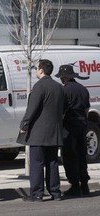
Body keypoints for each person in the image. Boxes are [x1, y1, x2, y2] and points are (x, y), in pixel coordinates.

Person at [19, 59, 64, 202]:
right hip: (54, 131)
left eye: (37, 68)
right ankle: (55, 192)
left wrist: (24, 125)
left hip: (39, 132)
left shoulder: (39, 87)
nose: (36, 70)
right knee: (52, 162)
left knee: (37, 163)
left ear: (41, 70)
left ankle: (37, 194)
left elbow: (32, 109)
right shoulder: (59, 87)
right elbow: (64, 107)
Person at [55, 64, 90, 196]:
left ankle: (75, 185)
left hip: (69, 127)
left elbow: (61, 110)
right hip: (82, 125)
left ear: (64, 77)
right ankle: (85, 186)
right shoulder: (82, 89)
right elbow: (86, 108)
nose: (60, 80)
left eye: (61, 77)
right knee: (82, 155)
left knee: (69, 155)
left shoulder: (64, 90)